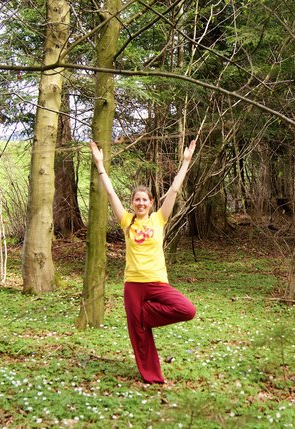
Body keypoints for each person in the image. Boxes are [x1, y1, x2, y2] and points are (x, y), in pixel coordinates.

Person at [89, 138, 197, 384]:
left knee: (186, 309)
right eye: (136, 199)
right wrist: (99, 164)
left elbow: (174, 191)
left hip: (157, 282)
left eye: (144, 200)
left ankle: (142, 316)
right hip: (134, 284)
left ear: (151, 203)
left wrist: (186, 163)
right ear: (132, 203)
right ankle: (152, 376)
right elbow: (110, 192)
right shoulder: (127, 221)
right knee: (139, 335)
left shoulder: (159, 219)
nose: (140, 203)